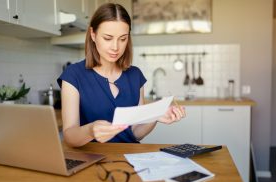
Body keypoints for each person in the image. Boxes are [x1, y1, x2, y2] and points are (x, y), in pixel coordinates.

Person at [57, 3, 186, 147]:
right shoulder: (73, 75)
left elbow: (136, 132)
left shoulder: (135, 76)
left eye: (123, 39)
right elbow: (69, 135)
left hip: (130, 158)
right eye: (107, 38)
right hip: (91, 160)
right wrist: (90, 131)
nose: (115, 47)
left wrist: (155, 115)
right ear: (93, 34)